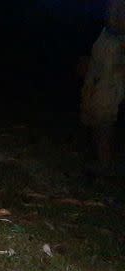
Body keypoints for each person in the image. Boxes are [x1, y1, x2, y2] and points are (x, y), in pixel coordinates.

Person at [81, 0, 125, 170]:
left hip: (116, 49)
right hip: (106, 40)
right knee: (93, 111)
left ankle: (104, 165)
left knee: (104, 116)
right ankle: (99, 161)